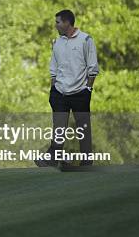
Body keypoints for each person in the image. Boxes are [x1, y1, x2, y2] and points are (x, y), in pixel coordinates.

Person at [36, 9, 99, 168]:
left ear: (66, 23)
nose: (55, 25)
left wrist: (88, 89)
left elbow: (93, 68)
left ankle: (86, 162)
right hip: (60, 93)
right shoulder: (57, 42)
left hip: (80, 94)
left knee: (83, 128)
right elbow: (54, 68)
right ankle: (52, 159)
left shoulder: (86, 40)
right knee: (58, 129)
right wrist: (53, 89)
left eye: (57, 22)